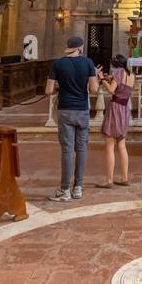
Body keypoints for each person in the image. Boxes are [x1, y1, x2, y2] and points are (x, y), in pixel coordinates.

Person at [45, 36, 99, 202]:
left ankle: (64, 190)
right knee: (81, 149)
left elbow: (48, 90)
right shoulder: (88, 63)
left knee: (67, 150)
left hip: (65, 109)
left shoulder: (57, 63)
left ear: (67, 47)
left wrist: (60, 88)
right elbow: (94, 89)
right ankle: (78, 188)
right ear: (81, 48)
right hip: (82, 110)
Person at [98, 53, 135, 187]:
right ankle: (125, 178)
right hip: (124, 109)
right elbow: (122, 88)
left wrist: (102, 79)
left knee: (109, 145)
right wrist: (110, 78)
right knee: (122, 145)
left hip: (115, 109)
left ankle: (108, 180)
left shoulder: (118, 72)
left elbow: (112, 90)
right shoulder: (131, 74)